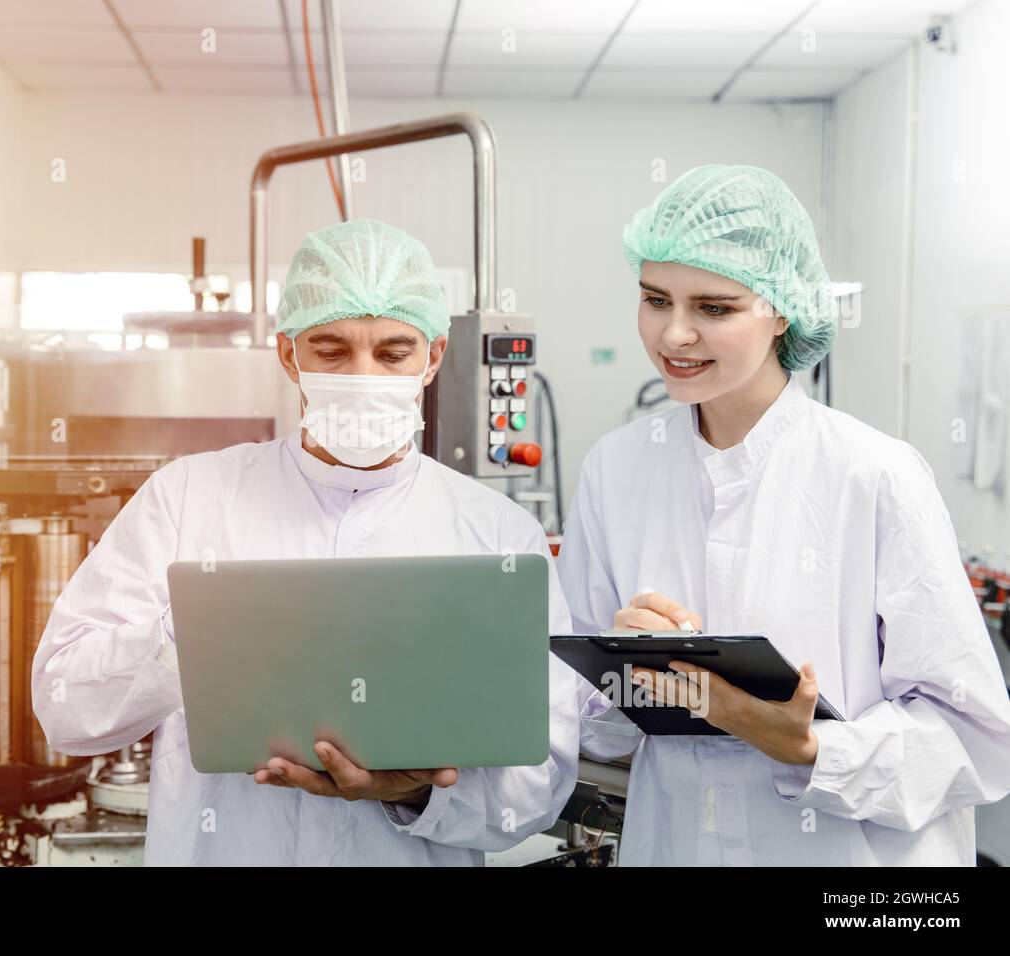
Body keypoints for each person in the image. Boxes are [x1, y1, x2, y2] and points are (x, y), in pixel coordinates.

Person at [32, 218, 609, 866]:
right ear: (288, 355)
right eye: (331, 351)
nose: (363, 375)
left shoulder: (498, 533)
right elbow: (66, 709)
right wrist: (181, 636)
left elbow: (537, 784)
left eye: (393, 353)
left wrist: (415, 792)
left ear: (434, 357)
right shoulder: (190, 498)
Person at [558, 164, 1010, 866]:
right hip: (675, 845)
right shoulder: (615, 470)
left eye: (714, 307)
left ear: (783, 308)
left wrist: (807, 748)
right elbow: (596, 727)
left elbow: (975, 738)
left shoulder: (874, 474)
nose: (674, 334)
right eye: (655, 299)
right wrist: (622, 670)